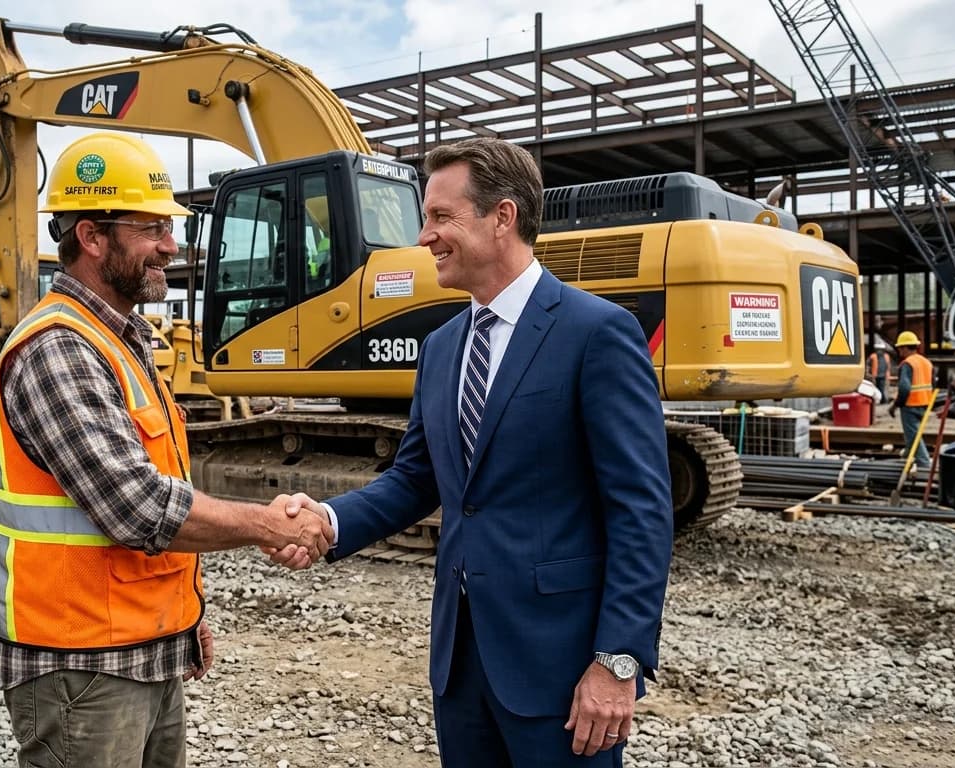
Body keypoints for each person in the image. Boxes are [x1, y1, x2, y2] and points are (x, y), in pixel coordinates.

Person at [274, 138, 674, 766]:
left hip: (564, 675)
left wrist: (617, 661)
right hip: (462, 668)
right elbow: (415, 480)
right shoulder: (441, 348)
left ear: (503, 217)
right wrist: (330, 520)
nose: (424, 236)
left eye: (440, 217)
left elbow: (642, 511)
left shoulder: (596, 333)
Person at [0, 131, 332, 768]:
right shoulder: (60, 349)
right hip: (81, 666)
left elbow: (156, 490)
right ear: (92, 237)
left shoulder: (121, 340)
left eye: (168, 228)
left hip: (137, 647)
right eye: (151, 229)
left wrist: (182, 617)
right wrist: (266, 525)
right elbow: (140, 507)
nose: (170, 247)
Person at [888, 330, 934, 469]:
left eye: (900, 348)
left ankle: (924, 464)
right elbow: (933, 384)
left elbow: (904, 388)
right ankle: (907, 456)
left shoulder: (907, 364)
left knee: (914, 437)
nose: (899, 351)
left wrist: (895, 405)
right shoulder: (926, 362)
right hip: (925, 404)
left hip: (911, 405)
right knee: (914, 434)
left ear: (905, 347)